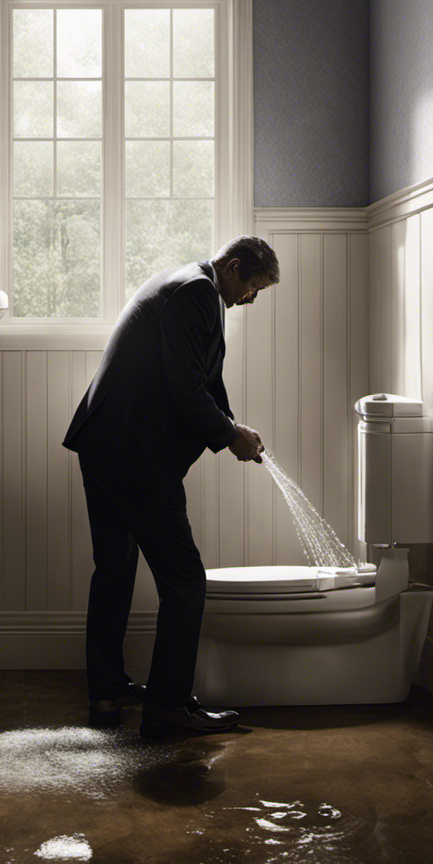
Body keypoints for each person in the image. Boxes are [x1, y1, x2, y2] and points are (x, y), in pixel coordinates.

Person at [62, 235, 280, 738]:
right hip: (136, 455)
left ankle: (107, 693)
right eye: (253, 286)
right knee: (186, 581)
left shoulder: (190, 285)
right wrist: (230, 437)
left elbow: (199, 381)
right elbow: (185, 389)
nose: (252, 298)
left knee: (114, 571)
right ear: (232, 267)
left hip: (105, 445)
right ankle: (167, 708)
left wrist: (232, 426)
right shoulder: (196, 292)